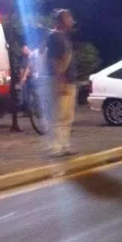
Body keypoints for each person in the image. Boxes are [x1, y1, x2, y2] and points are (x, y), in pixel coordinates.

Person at [42, 8, 77, 157]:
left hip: (67, 80)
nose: (71, 21)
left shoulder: (63, 37)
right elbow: (55, 60)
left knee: (67, 115)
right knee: (58, 115)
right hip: (60, 80)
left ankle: (64, 146)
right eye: (68, 18)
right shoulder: (55, 37)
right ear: (61, 22)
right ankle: (55, 147)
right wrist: (60, 81)